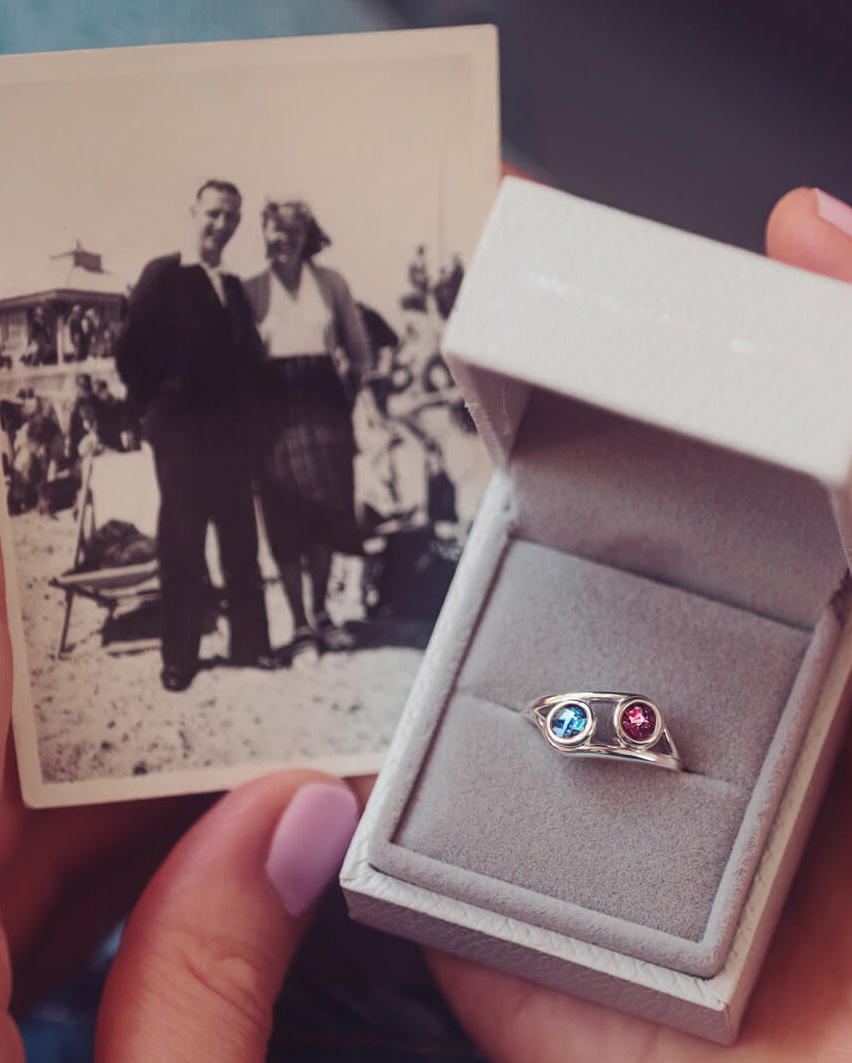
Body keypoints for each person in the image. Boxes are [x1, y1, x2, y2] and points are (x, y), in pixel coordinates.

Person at [1, 185, 851, 1063]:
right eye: (236, 221)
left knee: (303, 532)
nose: (249, 231)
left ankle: (280, 631)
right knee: (243, 536)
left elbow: (354, 347)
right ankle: (231, 641)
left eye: (260, 221)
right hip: (219, 428)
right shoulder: (211, 285)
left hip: (314, 413)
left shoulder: (321, 287)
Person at [115, 179, 274, 691]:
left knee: (240, 540)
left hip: (230, 438)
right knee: (183, 545)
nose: (222, 225)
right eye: (213, 214)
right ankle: (179, 658)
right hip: (180, 436)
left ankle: (251, 644)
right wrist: (155, 413)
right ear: (194, 213)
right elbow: (129, 353)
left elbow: (247, 362)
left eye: (232, 216)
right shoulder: (162, 275)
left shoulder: (233, 287)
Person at [244, 199, 372, 664]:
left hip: (324, 407)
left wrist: (347, 400)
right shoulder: (249, 290)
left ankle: (321, 614)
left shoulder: (331, 283)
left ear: (307, 235)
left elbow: (360, 351)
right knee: (282, 516)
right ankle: (299, 625)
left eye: (294, 230)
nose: (285, 239)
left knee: (324, 514)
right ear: (264, 233)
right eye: (276, 230)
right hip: (272, 411)